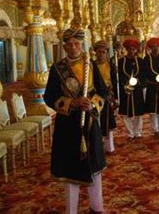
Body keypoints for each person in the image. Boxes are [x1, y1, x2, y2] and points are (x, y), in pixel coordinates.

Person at [44, 28, 108, 214]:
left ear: (82, 45)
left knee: (94, 167)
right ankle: (70, 211)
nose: (73, 47)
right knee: (70, 170)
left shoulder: (92, 66)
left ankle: (97, 208)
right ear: (64, 46)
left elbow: (103, 92)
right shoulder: (57, 69)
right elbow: (49, 96)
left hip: (90, 122)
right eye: (69, 44)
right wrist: (72, 102)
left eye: (77, 43)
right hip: (67, 126)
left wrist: (93, 103)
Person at [118, 39, 145, 140]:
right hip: (126, 90)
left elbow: (143, 74)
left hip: (137, 89)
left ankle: (138, 132)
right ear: (126, 50)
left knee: (138, 112)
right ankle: (130, 133)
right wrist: (125, 83)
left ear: (136, 50)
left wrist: (138, 82)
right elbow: (119, 75)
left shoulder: (141, 61)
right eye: (129, 49)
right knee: (126, 113)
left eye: (133, 49)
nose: (131, 51)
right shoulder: (121, 61)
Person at [93, 40, 117, 154]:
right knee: (95, 122)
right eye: (99, 52)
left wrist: (113, 96)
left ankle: (109, 147)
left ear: (107, 53)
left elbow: (114, 81)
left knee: (107, 122)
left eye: (103, 52)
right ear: (95, 53)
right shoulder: (91, 66)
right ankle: (96, 146)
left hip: (107, 97)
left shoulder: (110, 65)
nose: (101, 54)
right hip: (94, 97)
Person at [142, 37, 159, 138]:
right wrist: (154, 80)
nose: (155, 48)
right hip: (152, 86)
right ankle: (155, 130)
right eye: (153, 46)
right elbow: (144, 72)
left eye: (157, 46)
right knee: (153, 109)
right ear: (150, 48)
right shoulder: (146, 59)